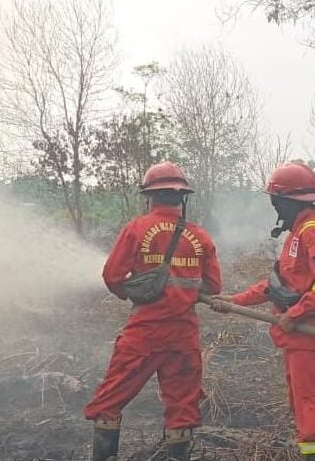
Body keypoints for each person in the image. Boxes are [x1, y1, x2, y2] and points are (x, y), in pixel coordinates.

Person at [84, 162, 222, 461]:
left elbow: (112, 277)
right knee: (182, 408)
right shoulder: (200, 236)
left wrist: (132, 292)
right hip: (184, 336)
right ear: (182, 198)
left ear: (150, 197)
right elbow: (213, 286)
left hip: (144, 333)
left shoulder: (136, 229)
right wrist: (183, 292)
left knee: (109, 402)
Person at [210, 162, 315, 460]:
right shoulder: (296, 236)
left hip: (314, 339)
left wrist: (295, 314)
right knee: (306, 412)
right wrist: (235, 301)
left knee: (314, 418)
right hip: (300, 341)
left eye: (276, 201)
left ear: (286, 201)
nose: (275, 207)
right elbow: (276, 286)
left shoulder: (312, 232)